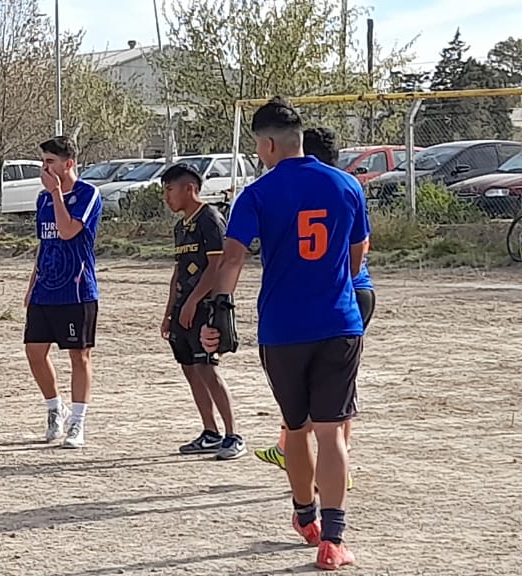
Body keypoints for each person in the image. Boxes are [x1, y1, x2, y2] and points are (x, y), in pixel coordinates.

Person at [201, 98, 369, 571]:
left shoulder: (256, 194)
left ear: (269, 143)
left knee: (296, 428)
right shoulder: (347, 185)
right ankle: (333, 540)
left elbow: (232, 260)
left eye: (259, 146)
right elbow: (356, 259)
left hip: (283, 329)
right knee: (333, 431)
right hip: (339, 322)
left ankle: (304, 517)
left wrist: (218, 312)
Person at [254, 127, 375, 489]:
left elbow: (355, 257)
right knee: (328, 395)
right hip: (350, 295)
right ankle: (301, 447)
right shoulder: (338, 188)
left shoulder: (313, 187)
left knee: (326, 397)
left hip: (343, 297)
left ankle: (330, 459)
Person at [159, 163, 245, 461]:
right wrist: (170, 310)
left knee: (208, 367)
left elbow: (217, 265)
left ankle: (233, 434)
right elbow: (178, 271)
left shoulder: (210, 218)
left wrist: (195, 301)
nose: (167, 197)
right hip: (184, 307)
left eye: (170, 190)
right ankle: (210, 432)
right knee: (190, 368)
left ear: (189, 188)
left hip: (205, 307)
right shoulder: (181, 226)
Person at [24, 136, 101, 449]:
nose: (45, 168)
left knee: (78, 356)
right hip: (47, 288)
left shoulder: (88, 194)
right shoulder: (42, 199)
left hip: (77, 289)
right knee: (34, 350)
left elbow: (68, 230)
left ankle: (78, 422)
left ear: (68, 163)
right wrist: (31, 285)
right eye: (43, 161)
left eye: (50, 161)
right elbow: (46, 242)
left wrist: (57, 193)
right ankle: (55, 408)